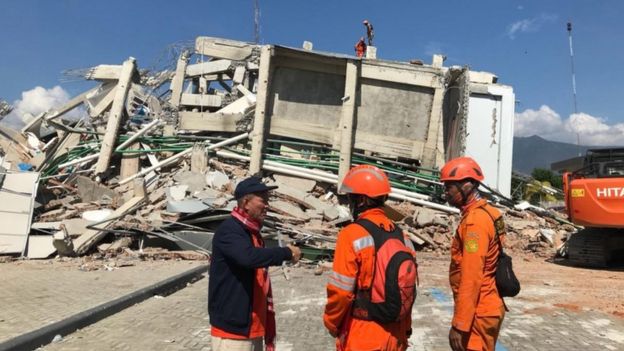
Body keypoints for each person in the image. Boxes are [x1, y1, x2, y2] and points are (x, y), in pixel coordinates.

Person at [324, 165, 417, 351]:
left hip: (364, 336)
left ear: (362, 200)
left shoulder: (351, 235)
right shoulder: (402, 236)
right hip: (396, 335)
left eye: (351, 197)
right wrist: (405, 329)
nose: (349, 202)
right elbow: (406, 289)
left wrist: (331, 322)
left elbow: (341, 291)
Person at [209, 176, 302, 351]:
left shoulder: (251, 231)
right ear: (245, 203)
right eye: (263, 200)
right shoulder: (230, 230)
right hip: (233, 334)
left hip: (252, 327)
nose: (267, 205)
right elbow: (248, 257)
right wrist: (286, 253)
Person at [440, 157, 506, 351]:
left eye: (449, 187)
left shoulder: (475, 222)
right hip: (488, 305)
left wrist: (460, 325)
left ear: (467, 186)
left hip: (478, 312)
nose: (446, 192)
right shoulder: (491, 213)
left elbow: (472, 275)